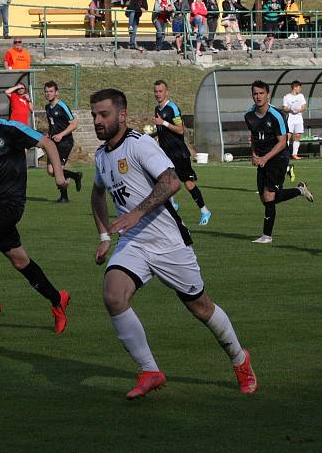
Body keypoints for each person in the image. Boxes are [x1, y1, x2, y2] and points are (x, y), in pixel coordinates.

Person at [89, 87, 257, 400]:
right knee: (113, 295)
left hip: (168, 242)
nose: (98, 120)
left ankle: (239, 359)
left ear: (122, 116)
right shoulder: (101, 156)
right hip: (134, 243)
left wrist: (137, 213)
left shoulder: (140, 146)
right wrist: (103, 236)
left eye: (104, 114)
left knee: (201, 307)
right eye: (94, 115)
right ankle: (150, 370)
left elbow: (171, 181)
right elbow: (96, 194)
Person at [0, 81, 70, 331]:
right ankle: (57, 299)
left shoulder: (10, 129)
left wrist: (59, 177)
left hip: (10, 204)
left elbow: (48, 143)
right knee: (19, 260)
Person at [245, 80, 314, 244]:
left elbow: (282, 142)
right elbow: (254, 137)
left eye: (262, 93)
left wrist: (265, 158)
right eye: (255, 93)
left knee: (269, 196)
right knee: (265, 199)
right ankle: (299, 190)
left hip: (278, 157)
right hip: (263, 159)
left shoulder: (276, 115)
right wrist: (254, 154)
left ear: (267, 95)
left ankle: (266, 236)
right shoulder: (249, 115)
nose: (258, 96)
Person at [153, 80, 211, 225]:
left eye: (161, 91)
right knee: (160, 179)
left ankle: (204, 210)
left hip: (179, 153)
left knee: (189, 184)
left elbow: (180, 129)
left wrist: (163, 123)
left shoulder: (172, 108)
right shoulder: (157, 109)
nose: (158, 94)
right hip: (165, 153)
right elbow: (162, 131)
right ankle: (172, 203)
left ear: (166, 92)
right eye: (156, 91)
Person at [43, 81, 82, 203]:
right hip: (54, 142)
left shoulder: (62, 106)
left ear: (56, 92)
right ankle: (75, 175)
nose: (48, 94)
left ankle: (64, 197)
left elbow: (74, 124)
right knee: (51, 170)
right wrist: (49, 135)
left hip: (65, 142)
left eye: (51, 91)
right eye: (46, 91)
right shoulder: (47, 107)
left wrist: (61, 134)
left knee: (58, 170)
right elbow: (52, 124)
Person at [282, 81, 307, 160]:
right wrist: (290, 110)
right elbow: (284, 108)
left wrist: (298, 110)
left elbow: (304, 106)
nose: (300, 89)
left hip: (299, 118)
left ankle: (294, 154)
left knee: (297, 136)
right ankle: (285, 153)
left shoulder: (301, 96)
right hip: (290, 118)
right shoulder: (286, 97)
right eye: (299, 87)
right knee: (288, 136)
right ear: (294, 87)